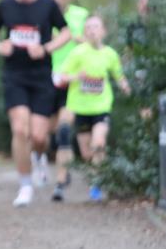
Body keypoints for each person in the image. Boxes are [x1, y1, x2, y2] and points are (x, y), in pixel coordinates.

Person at [0, 0, 71, 207]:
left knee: (40, 136)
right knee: (20, 129)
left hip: (41, 77)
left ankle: (39, 157)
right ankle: (25, 185)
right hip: (15, 76)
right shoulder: (4, 5)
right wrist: (0, 46)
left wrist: (45, 48)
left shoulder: (48, 5)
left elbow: (66, 33)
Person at [56, 15, 131, 201]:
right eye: (88, 27)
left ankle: (97, 184)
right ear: (84, 32)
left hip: (101, 106)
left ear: (103, 31)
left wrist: (125, 85)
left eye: (96, 27)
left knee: (98, 143)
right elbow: (61, 77)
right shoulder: (78, 53)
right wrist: (77, 77)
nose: (92, 30)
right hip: (80, 108)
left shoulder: (110, 54)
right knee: (87, 153)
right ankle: (97, 173)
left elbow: (118, 74)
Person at [46, 0, 89, 202]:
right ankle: (52, 159)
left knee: (63, 129)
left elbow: (94, 43)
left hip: (71, 80)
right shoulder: (43, 12)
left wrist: (73, 36)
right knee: (48, 133)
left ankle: (60, 181)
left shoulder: (81, 15)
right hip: (45, 79)